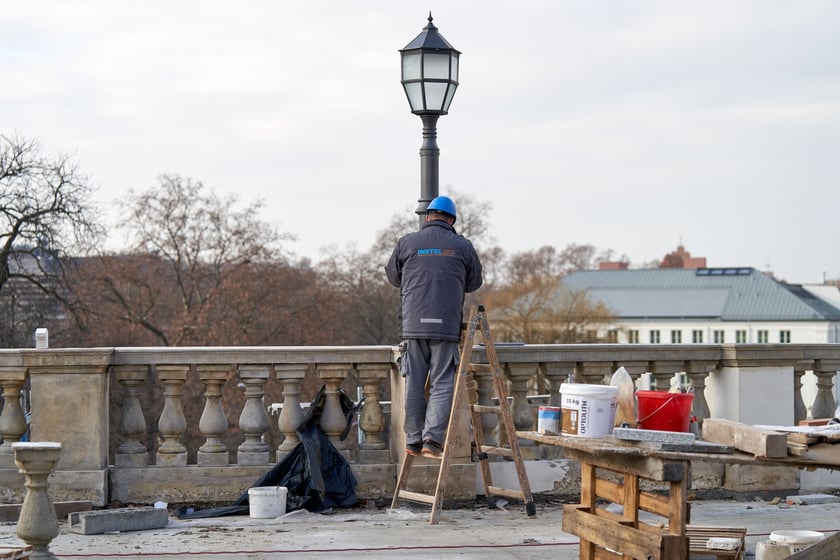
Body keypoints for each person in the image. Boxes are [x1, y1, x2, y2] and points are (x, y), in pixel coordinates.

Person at [385, 195, 483, 458]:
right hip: (446, 327)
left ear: (427, 216)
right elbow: (474, 283)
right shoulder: (462, 246)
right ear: (451, 220)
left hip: (414, 326)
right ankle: (432, 440)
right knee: (442, 384)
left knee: (414, 384)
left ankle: (413, 439)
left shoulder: (407, 243)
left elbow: (394, 277)